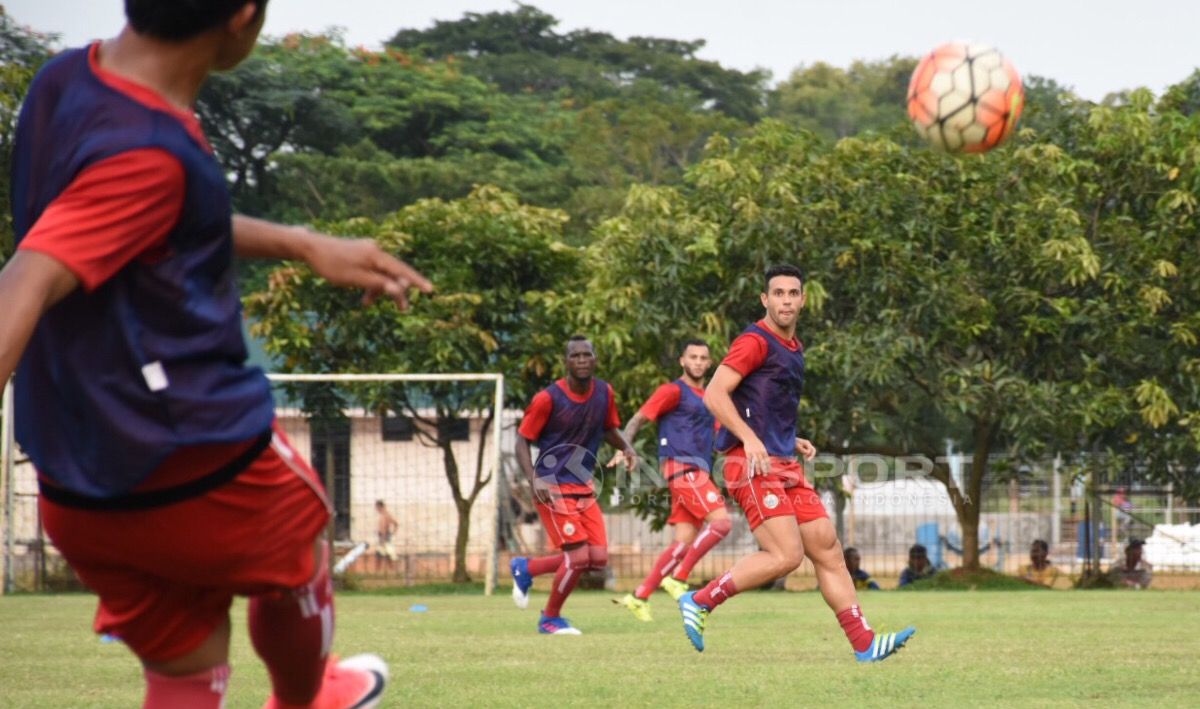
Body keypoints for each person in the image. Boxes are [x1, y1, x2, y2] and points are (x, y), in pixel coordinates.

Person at [0, 2, 432, 706]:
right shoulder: (151, 149)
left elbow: (139, 214)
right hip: (188, 454)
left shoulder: (61, 82)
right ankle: (307, 698)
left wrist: (301, 242)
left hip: (75, 477)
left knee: (186, 668)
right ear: (243, 15)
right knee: (305, 536)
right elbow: (29, 274)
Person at [677, 265, 916, 662]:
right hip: (749, 464)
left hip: (782, 461)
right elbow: (715, 395)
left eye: (793, 293)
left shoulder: (794, 348)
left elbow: (762, 404)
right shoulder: (755, 341)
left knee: (827, 548)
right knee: (786, 556)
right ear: (765, 300)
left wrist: (789, 439)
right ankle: (700, 601)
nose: (786, 300)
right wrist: (752, 440)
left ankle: (865, 643)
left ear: (803, 300)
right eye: (778, 293)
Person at [508, 336, 638, 635]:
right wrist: (534, 479)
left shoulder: (604, 392)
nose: (581, 360)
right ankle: (550, 618)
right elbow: (521, 440)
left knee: (597, 558)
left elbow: (608, 429)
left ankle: (526, 569)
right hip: (551, 485)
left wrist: (628, 448)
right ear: (566, 361)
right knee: (578, 557)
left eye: (587, 355)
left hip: (582, 485)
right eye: (575, 356)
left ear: (595, 359)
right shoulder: (548, 398)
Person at [611, 339, 733, 622]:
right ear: (682, 360)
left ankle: (639, 595)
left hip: (697, 472)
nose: (698, 362)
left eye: (704, 358)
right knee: (722, 523)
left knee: (682, 542)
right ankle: (679, 579)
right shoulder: (671, 391)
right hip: (683, 469)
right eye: (693, 357)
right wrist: (625, 447)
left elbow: (723, 437)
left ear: (709, 363)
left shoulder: (710, 399)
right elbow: (638, 419)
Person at [374, 500, 400, 571]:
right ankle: (391, 570)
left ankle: (392, 569)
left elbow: (395, 524)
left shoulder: (386, 515)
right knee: (385, 555)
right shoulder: (384, 515)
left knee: (385, 555)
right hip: (383, 536)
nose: (376, 509)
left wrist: (388, 535)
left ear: (380, 507)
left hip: (384, 536)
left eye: (376, 507)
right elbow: (396, 524)